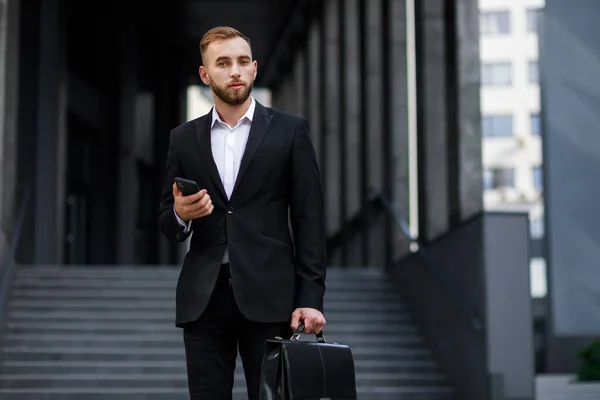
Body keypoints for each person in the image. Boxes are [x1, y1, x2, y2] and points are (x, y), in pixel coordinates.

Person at [158, 26, 327, 399]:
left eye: (242, 61)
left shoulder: (290, 131)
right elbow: (166, 221)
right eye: (223, 63)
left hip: (272, 298)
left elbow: (309, 220)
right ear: (205, 74)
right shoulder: (183, 138)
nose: (234, 70)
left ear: (254, 69)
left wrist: (311, 299)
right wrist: (182, 213)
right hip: (204, 300)